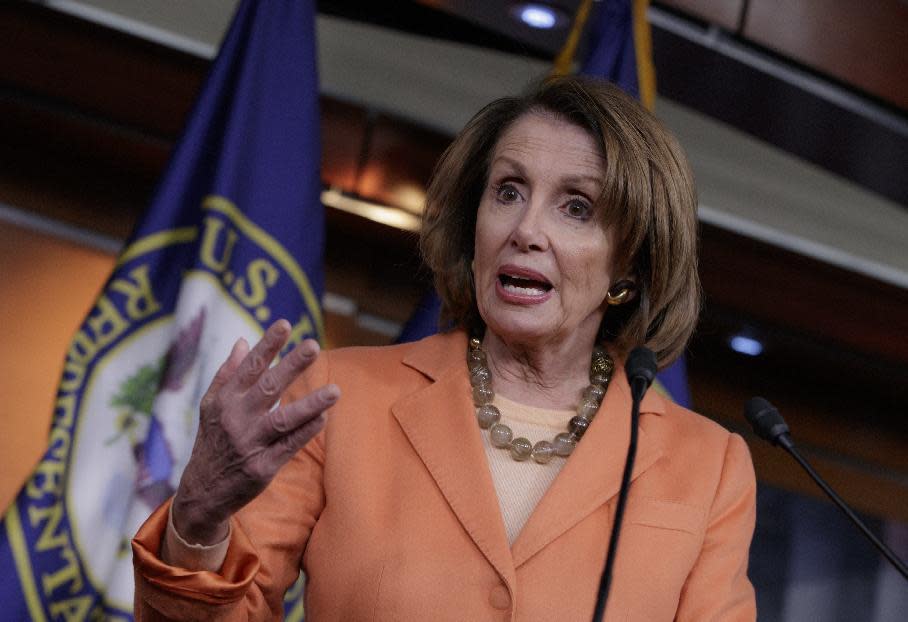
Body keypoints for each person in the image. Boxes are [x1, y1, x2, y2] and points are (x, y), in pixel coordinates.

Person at [132, 75, 757, 620]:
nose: (526, 230)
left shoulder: (708, 468)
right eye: (508, 191)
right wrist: (197, 520)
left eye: (576, 207)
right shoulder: (340, 401)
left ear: (631, 263)